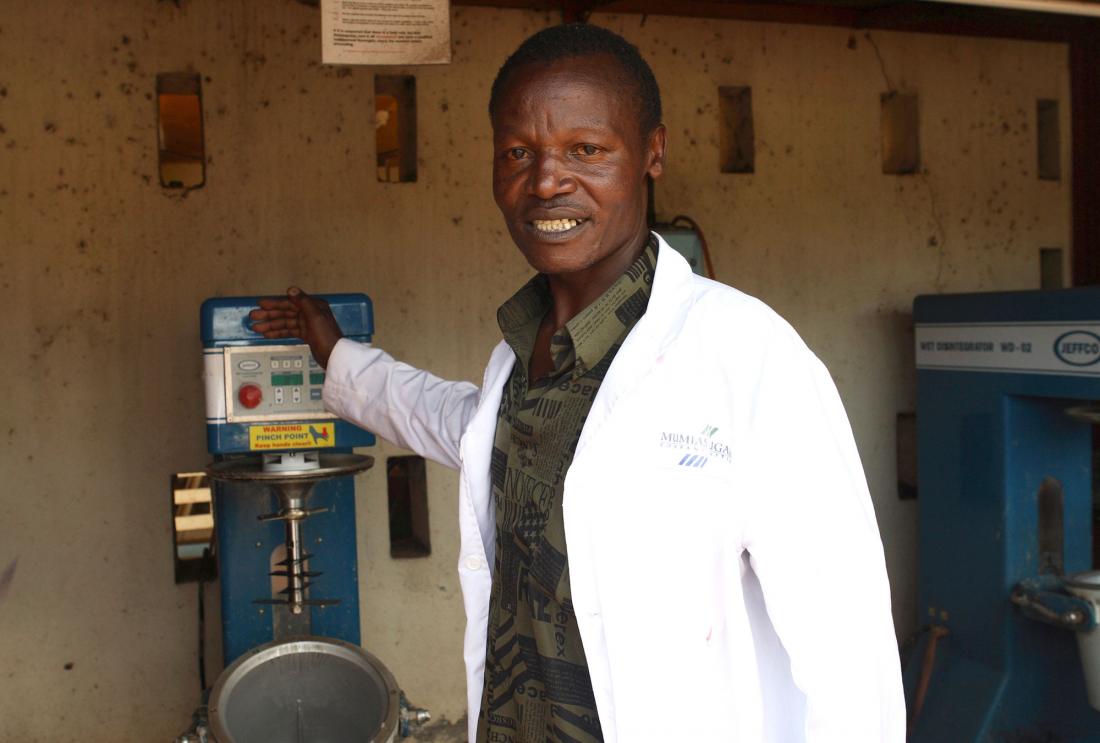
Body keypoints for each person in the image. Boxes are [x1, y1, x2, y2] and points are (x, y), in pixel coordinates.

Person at [250, 23, 905, 743]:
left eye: (586, 150)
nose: (546, 181)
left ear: (653, 153)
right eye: (518, 153)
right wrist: (335, 351)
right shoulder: (521, 357)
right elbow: (457, 423)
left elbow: (849, 660)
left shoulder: (749, 357)